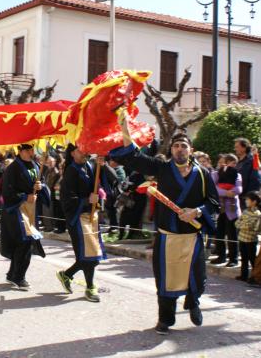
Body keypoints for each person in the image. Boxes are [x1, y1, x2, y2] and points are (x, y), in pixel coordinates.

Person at [110, 117, 219, 335]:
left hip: (192, 236)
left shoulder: (204, 175)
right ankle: (165, 320)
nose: (180, 149)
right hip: (167, 236)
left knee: (197, 275)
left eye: (184, 146)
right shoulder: (161, 168)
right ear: (171, 149)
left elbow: (214, 202)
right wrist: (123, 126)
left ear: (191, 149)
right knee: (165, 280)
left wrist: (196, 211)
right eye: (176, 146)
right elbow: (134, 157)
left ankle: (193, 302)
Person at [56, 146, 106, 302]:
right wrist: (86, 200)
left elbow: (106, 183)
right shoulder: (70, 171)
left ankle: (67, 274)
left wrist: (102, 167)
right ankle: (90, 287)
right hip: (78, 218)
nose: (84, 152)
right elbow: (66, 199)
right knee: (87, 256)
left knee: (93, 256)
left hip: (92, 216)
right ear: (72, 153)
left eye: (85, 149)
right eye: (80, 150)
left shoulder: (90, 166)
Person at [0, 144, 49, 291]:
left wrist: (41, 186)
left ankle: (12, 274)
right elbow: (7, 192)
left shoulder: (36, 165)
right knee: (25, 242)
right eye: (28, 150)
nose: (31, 153)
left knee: (24, 243)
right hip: (16, 210)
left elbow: (42, 183)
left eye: (32, 150)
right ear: (20, 152)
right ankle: (18, 277)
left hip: (31, 210)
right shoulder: (13, 168)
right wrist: (24, 196)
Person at [210, 154, 243, 267]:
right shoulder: (215, 174)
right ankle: (221, 256)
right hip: (219, 208)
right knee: (219, 233)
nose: (233, 165)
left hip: (232, 210)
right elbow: (213, 188)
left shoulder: (237, 175)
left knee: (232, 235)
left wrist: (230, 192)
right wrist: (226, 193)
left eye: (235, 163)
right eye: (231, 163)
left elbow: (239, 188)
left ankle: (233, 258)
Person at [234, 191, 261, 281]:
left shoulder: (257, 214)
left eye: (248, 200)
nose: (246, 201)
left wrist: (243, 225)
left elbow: (252, 227)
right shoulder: (245, 211)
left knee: (252, 259)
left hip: (251, 240)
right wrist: (245, 225)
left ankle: (255, 276)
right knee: (244, 258)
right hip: (242, 238)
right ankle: (243, 275)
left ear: (254, 201)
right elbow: (237, 223)